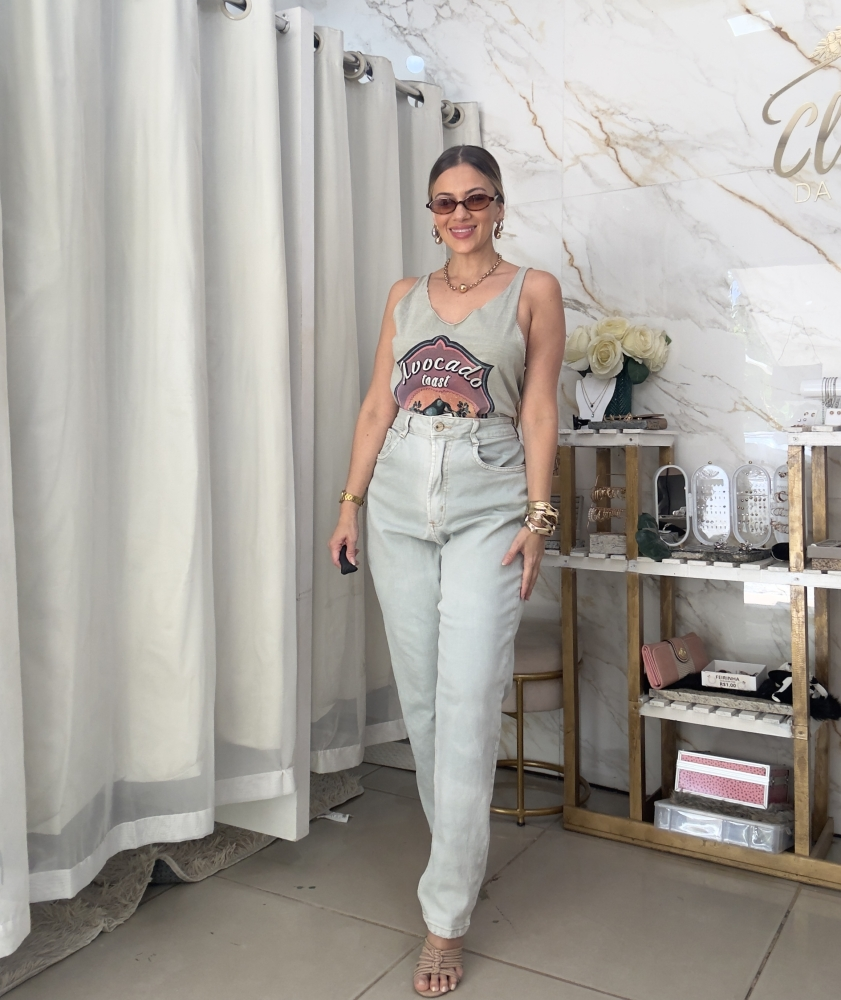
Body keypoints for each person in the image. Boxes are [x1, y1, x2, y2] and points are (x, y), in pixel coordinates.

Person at [329, 145, 565, 996]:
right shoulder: (404, 295)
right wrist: (349, 503)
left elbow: (538, 408)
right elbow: (375, 405)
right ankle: (455, 864)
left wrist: (537, 518)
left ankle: (445, 920)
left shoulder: (533, 289)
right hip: (397, 497)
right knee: (424, 702)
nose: (459, 213)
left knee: (467, 701)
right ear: (431, 213)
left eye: (475, 198)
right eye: (443, 202)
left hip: (486, 496)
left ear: (499, 205)